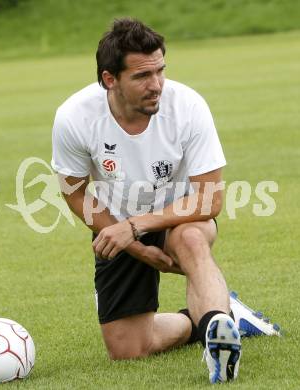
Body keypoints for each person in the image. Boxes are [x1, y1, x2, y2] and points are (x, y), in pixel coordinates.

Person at [51, 18, 280, 384]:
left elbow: (210, 200)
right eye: (142, 76)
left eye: (160, 71)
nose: (156, 84)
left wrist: (137, 226)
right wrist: (134, 245)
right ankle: (220, 318)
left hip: (180, 217)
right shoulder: (74, 118)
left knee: (191, 239)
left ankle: (216, 342)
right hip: (118, 225)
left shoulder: (187, 106)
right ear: (110, 79)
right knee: (127, 351)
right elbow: (74, 190)